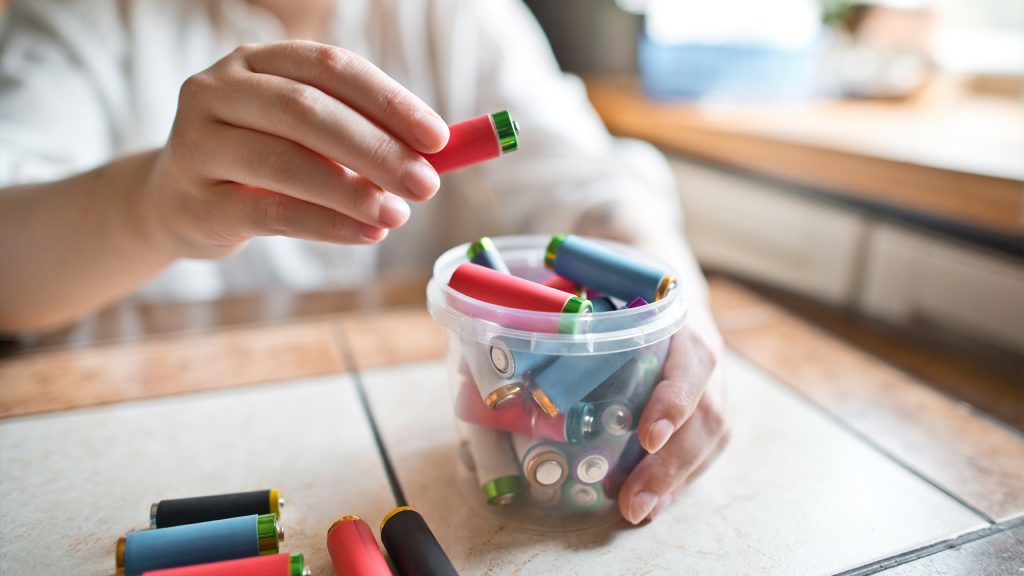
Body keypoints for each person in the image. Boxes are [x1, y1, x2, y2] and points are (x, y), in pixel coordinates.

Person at [0, 0, 728, 525]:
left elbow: (591, 187)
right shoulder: (82, 17)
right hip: (141, 417)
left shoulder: (463, 16)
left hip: (406, 441)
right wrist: (152, 202)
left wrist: (672, 312)